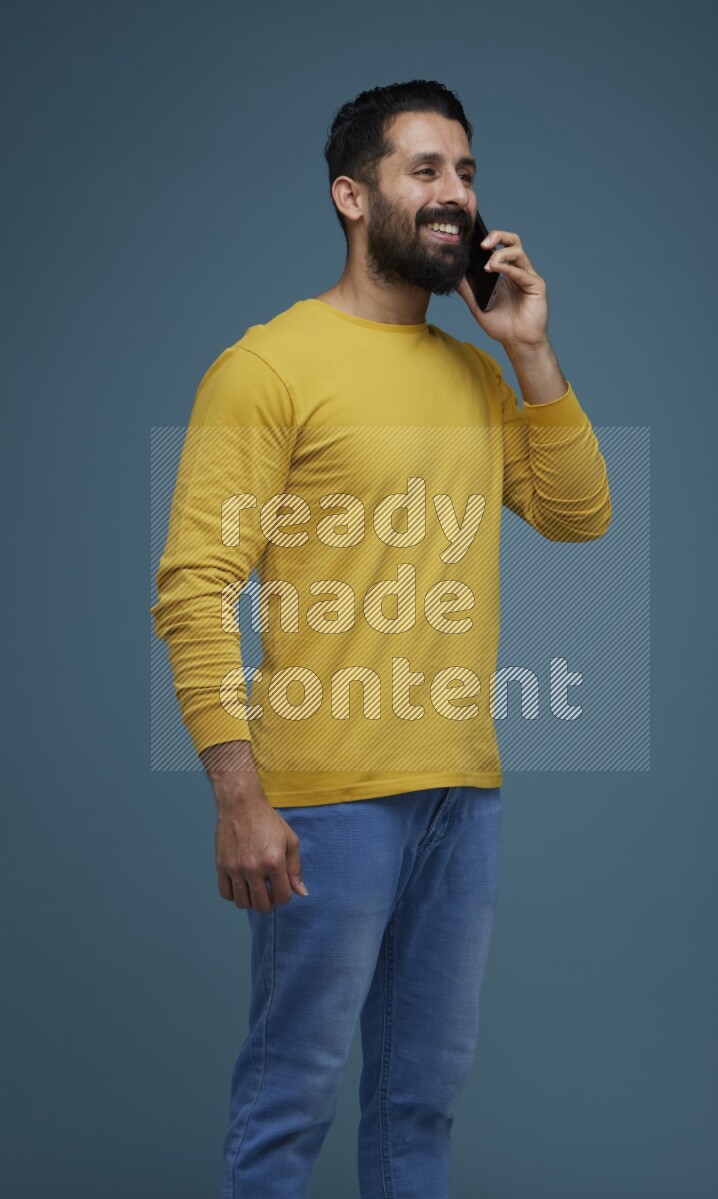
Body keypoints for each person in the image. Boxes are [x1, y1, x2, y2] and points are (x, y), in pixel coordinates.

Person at [151, 79, 612, 1199]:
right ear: (352, 196)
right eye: (424, 171)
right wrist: (237, 794)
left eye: (462, 171)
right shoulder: (267, 367)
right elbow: (193, 586)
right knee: (289, 1099)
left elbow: (577, 511)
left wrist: (529, 352)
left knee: (420, 1102)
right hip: (325, 801)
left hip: (460, 792)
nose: (453, 194)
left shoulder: (470, 373)